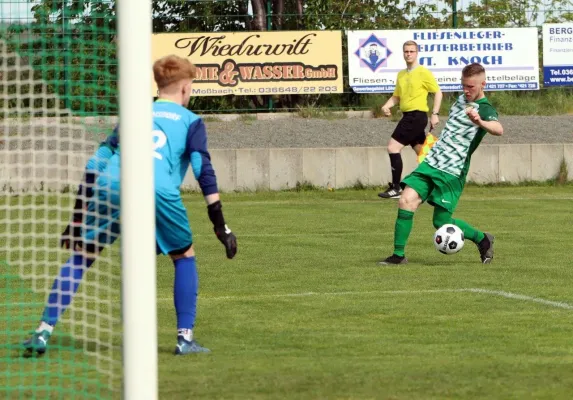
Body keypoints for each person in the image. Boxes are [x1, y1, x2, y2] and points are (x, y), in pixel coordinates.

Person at [23, 55, 237, 356]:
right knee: (184, 256)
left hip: (111, 183)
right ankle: (184, 339)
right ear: (186, 88)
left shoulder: (135, 114)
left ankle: (43, 332)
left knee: (82, 255)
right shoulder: (192, 122)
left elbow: (97, 162)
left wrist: (76, 218)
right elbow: (204, 171)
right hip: (157, 188)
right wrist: (220, 225)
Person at [379, 62, 503, 265]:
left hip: (452, 170)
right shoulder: (461, 100)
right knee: (406, 200)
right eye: (463, 85)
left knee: (440, 222)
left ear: (483, 85)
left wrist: (479, 122)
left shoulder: (485, 109)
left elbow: (499, 129)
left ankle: (483, 239)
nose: (466, 90)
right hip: (432, 162)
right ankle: (398, 256)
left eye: (471, 87)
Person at [378, 40, 443, 199]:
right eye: (406, 51)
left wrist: (435, 114)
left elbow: (438, 93)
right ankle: (439, 184)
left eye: (411, 51)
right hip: (408, 115)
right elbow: (397, 96)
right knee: (422, 153)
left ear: (417, 53)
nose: (409, 54)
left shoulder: (423, 72)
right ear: (403, 53)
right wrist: (387, 106)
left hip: (416, 116)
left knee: (393, 148)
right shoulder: (401, 74)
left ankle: (396, 188)